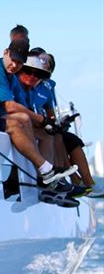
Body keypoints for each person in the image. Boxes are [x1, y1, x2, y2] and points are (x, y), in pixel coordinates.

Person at [0, 39, 75, 191]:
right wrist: (41, 119)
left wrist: (48, 124)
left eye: (19, 63)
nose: (14, 65)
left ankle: (46, 177)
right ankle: (45, 170)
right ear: (5, 53)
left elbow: (22, 107)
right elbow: (10, 107)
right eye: (13, 60)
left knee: (47, 133)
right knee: (23, 120)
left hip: (2, 120)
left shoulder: (11, 76)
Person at [35, 53, 103, 197]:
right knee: (57, 138)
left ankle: (88, 182)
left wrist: (58, 123)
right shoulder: (28, 82)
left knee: (72, 140)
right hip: (35, 125)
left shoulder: (46, 87)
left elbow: (50, 112)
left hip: (44, 124)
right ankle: (69, 180)